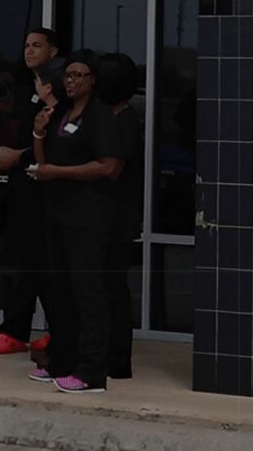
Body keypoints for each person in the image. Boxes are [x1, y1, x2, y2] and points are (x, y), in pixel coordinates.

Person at [30, 50, 123, 395]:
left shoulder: (101, 117)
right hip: (59, 214)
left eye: (79, 75)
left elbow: (109, 166)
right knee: (61, 293)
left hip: (89, 218)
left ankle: (91, 372)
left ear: (93, 80)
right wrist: (39, 135)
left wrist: (60, 173)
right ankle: (62, 361)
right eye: (67, 76)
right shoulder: (61, 114)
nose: (71, 81)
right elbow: (45, 165)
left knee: (88, 294)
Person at [0, 27, 62, 357]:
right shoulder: (24, 88)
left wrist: (18, 156)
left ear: (53, 51)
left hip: (46, 189)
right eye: (26, 45)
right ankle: (15, 330)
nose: (29, 51)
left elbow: (59, 141)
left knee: (43, 263)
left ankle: (55, 331)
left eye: (37, 45)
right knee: (21, 260)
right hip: (21, 188)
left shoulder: (58, 88)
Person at [99, 53, 143, 381]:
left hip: (117, 218)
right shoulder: (106, 116)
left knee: (114, 289)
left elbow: (113, 169)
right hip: (103, 216)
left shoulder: (126, 120)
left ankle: (117, 360)